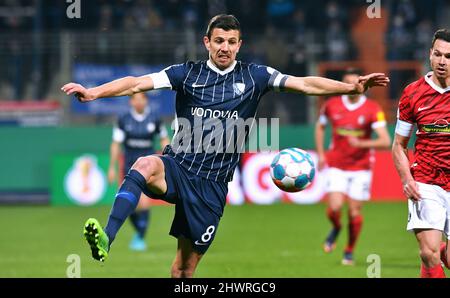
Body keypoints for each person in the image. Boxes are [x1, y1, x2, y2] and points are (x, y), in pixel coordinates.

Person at [61, 14, 389, 278]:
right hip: (178, 167)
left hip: (212, 188)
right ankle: (107, 236)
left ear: (239, 44)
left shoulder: (256, 76)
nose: (225, 48)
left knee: (182, 271)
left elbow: (304, 84)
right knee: (144, 165)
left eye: (231, 42)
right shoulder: (186, 73)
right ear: (207, 42)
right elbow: (136, 83)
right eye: (219, 41)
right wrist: (93, 93)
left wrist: (349, 88)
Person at [315, 68, 391, 265]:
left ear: (363, 85)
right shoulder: (331, 105)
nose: (352, 87)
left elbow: (385, 141)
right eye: (347, 83)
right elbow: (320, 126)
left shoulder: (373, 109)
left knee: (354, 212)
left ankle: (349, 250)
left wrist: (362, 144)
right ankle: (336, 227)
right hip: (336, 165)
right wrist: (322, 154)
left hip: (361, 167)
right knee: (334, 208)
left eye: (355, 83)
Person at [392, 28, 450, 278]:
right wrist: (407, 179)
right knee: (428, 253)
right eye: (437, 54)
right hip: (426, 181)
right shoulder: (412, 93)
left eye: (448, 56)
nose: (442, 61)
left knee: (440, 256)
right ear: (430, 54)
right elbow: (398, 144)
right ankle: (435, 251)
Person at [107, 92, 170, 251]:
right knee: (128, 204)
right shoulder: (124, 119)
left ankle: (140, 237)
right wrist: (111, 167)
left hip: (149, 169)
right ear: (131, 102)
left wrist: (168, 155)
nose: (139, 102)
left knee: (143, 202)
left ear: (146, 101)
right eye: (136, 100)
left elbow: (163, 138)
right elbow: (116, 144)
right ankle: (138, 232)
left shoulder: (154, 118)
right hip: (129, 167)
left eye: (142, 99)